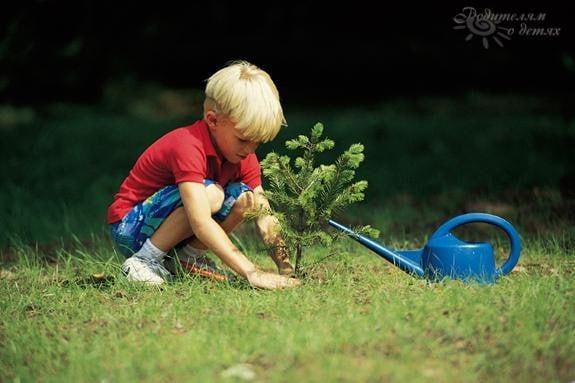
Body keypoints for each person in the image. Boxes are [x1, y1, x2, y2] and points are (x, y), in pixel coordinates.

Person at [107, 60, 300, 289]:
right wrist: (252, 272)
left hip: (168, 228)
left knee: (247, 199)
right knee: (212, 195)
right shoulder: (188, 145)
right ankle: (142, 261)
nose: (250, 150)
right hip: (130, 226)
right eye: (243, 139)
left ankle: (187, 259)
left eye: (257, 143)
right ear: (213, 120)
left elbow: (264, 215)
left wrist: (286, 270)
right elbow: (199, 220)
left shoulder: (243, 156)